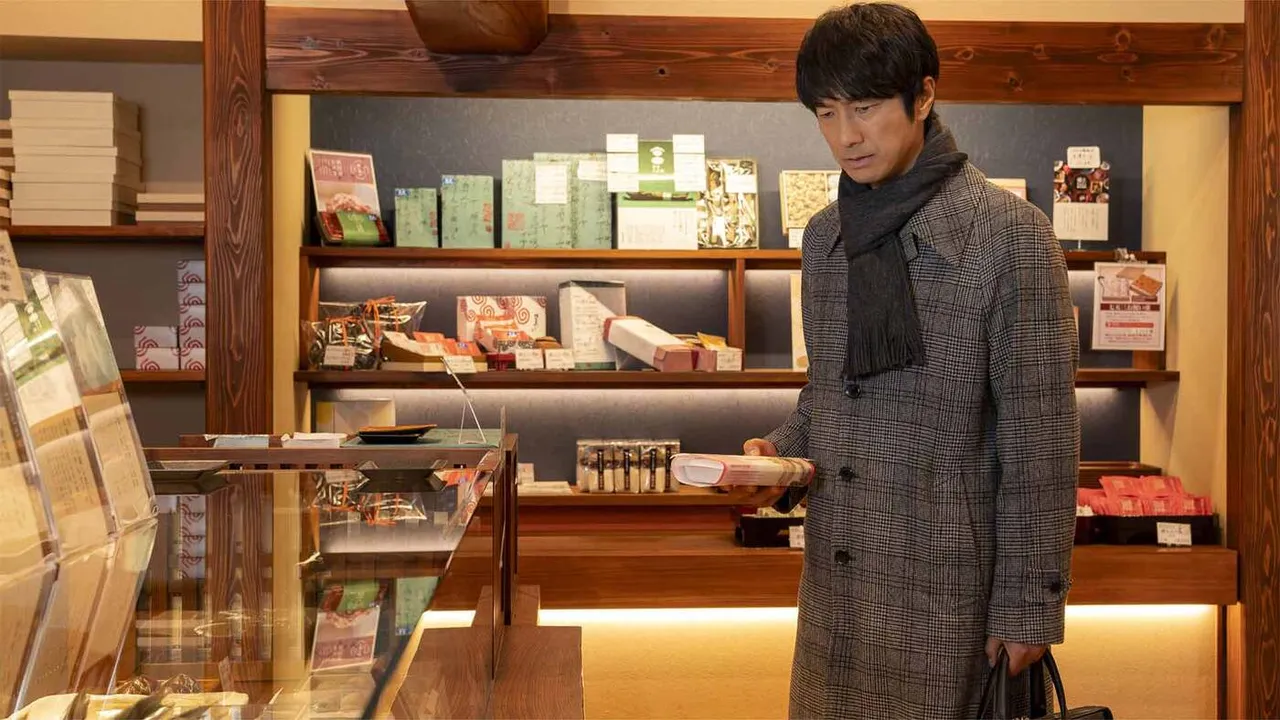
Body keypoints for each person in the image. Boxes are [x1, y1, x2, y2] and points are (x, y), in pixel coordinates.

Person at [740, 3, 1080, 718]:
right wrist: (780, 455)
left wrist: (1030, 607)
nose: (846, 136)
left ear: (923, 96)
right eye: (826, 114)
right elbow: (830, 394)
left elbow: (1041, 439)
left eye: (864, 108)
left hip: (951, 593)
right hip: (839, 587)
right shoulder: (825, 238)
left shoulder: (1010, 236)